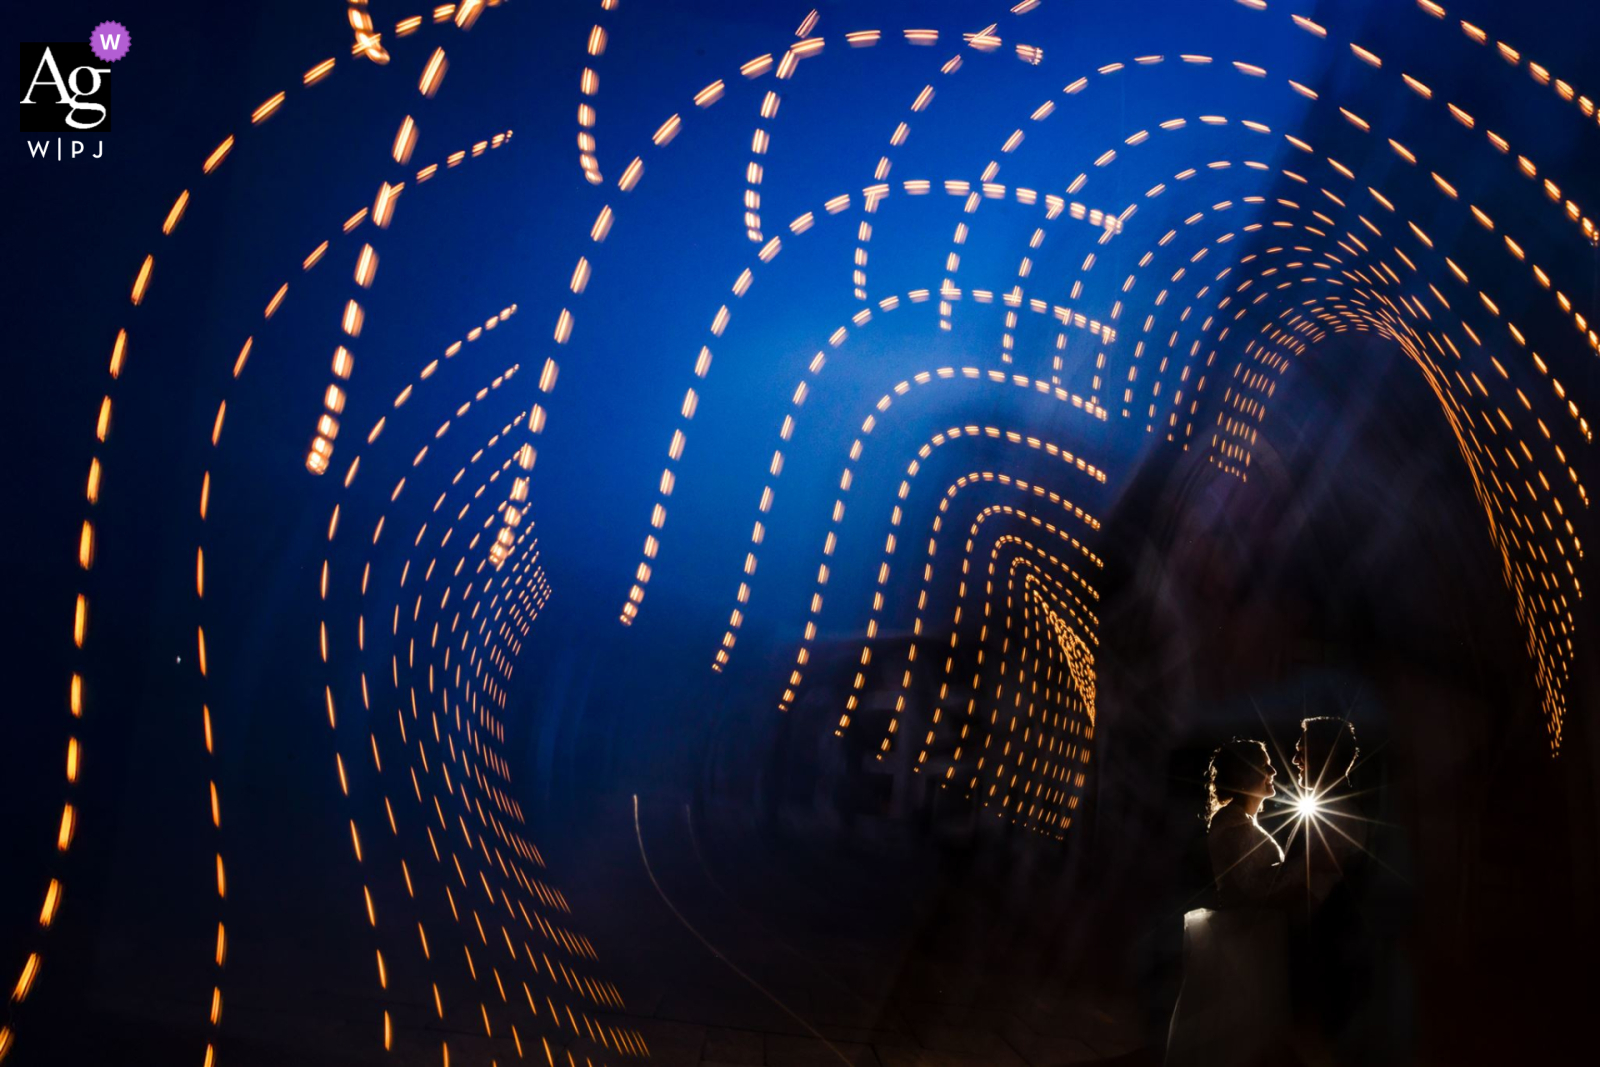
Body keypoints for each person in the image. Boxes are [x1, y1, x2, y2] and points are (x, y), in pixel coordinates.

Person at [1166, 739, 1296, 1067]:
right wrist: (1297, 874)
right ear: (1243, 775)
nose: (1273, 770)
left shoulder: (1245, 820)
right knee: (1237, 1034)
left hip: (1257, 933)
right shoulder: (1231, 822)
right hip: (1243, 940)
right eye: (1264, 764)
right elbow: (1246, 887)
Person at [1286, 717, 1370, 1063]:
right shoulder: (1323, 808)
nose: (1295, 760)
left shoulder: (1338, 814)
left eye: (1301, 751)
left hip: (1322, 953)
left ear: (1323, 755)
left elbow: (1318, 889)